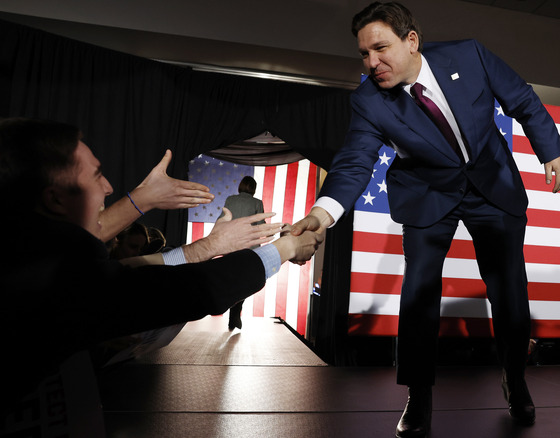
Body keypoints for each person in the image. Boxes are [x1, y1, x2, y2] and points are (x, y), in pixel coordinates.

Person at [290, 3, 560, 436]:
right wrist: (322, 214)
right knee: (419, 292)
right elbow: (354, 162)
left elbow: (522, 98)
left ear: (411, 40)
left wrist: (550, 148)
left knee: (509, 290)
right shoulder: (368, 100)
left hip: (491, 186)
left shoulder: (469, 55)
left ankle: (515, 378)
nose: (371, 63)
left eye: (380, 48)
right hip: (426, 194)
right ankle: (418, 396)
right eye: (363, 54)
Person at [0, 117, 323, 412]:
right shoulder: (50, 284)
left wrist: (209, 246)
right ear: (55, 199)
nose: (109, 187)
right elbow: (188, 290)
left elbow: (129, 274)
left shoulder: (30, 261)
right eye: (96, 175)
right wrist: (287, 246)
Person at [218, 176, 265, 330]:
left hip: (230, 246)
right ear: (253, 188)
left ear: (241, 186)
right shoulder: (257, 203)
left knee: (232, 280)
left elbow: (222, 220)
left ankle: (233, 311)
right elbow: (261, 226)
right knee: (244, 281)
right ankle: (235, 312)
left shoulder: (230, 200)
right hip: (249, 248)